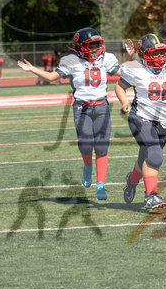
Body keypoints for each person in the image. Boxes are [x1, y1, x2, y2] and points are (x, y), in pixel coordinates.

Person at [17, 27, 120, 200]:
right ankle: (87, 169)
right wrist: (32, 69)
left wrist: (132, 59)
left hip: (102, 106)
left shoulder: (106, 59)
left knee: (102, 147)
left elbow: (123, 73)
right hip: (82, 107)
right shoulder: (71, 61)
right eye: (91, 45)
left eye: (97, 44)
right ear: (80, 46)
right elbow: (51, 78)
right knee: (86, 144)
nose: (96, 48)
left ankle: (100, 185)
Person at [116, 34, 166, 210]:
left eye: (162, 52)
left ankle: (131, 181)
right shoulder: (135, 68)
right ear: (144, 55)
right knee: (155, 155)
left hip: (161, 121)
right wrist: (124, 102)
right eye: (154, 53)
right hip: (140, 117)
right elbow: (120, 86)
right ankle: (150, 196)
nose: (160, 57)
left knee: (145, 159)